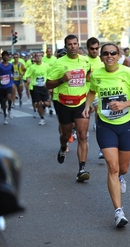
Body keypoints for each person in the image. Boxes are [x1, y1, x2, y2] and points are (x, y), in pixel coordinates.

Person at [82, 43, 130, 228]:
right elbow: (92, 91)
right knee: (112, 167)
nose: (109, 56)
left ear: (118, 55)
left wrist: (125, 104)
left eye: (113, 53)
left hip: (126, 124)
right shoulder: (96, 74)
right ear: (101, 57)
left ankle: (120, 178)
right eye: (105, 53)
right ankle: (118, 211)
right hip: (105, 125)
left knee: (123, 168)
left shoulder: (127, 72)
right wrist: (87, 106)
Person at [46, 34, 92, 182]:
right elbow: (48, 84)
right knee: (66, 135)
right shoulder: (59, 63)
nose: (73, 46)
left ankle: (82, 169)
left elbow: (89, 75)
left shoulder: (85, 61)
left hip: (81, 103)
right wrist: (61, 79)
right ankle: (62, 146)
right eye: (70, 44)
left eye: (75, 44)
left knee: (82, 135)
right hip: (64, 103)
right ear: (66, 47)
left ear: (78, 45)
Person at [26, 51, 51, 126]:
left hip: (44, 87)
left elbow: (50, 75)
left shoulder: (46, 66)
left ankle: (43, 107)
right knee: (39, 103)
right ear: (35, 58)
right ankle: (42, 118)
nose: (38, 57)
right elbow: (27, 75)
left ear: (42, 57)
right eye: (37, 56)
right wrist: (28, 79)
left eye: (40, 56)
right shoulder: (32, 67)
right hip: (35, 87)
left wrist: (50, 85)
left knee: (47, 103)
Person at [0, 51, 14, 125]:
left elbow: (12, 73)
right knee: (2, 101)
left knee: (9, 97)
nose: (5, 57)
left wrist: (12, 76)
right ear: (2, 56)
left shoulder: (11, 65)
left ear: (8, 57)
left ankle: (9, 109)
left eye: (7, 55)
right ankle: (5, 116)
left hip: (9, 84)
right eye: (4, 55)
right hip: (1, 85)